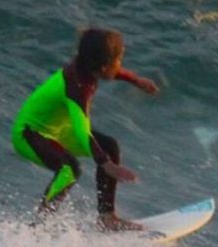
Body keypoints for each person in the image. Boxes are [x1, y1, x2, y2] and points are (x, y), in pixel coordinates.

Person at [11, 28, 159, 231]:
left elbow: (111, 71)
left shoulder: (85, 66)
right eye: (118, 60)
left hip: (56, 130)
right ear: (104, 67)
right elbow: (82, 130)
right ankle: (38, 227)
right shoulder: (77, 87)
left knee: (109, 146)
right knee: (69, 170)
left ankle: (107, 218)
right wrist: (106, 164)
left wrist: (136, 80)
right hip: (29, 133)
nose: (120, 65)